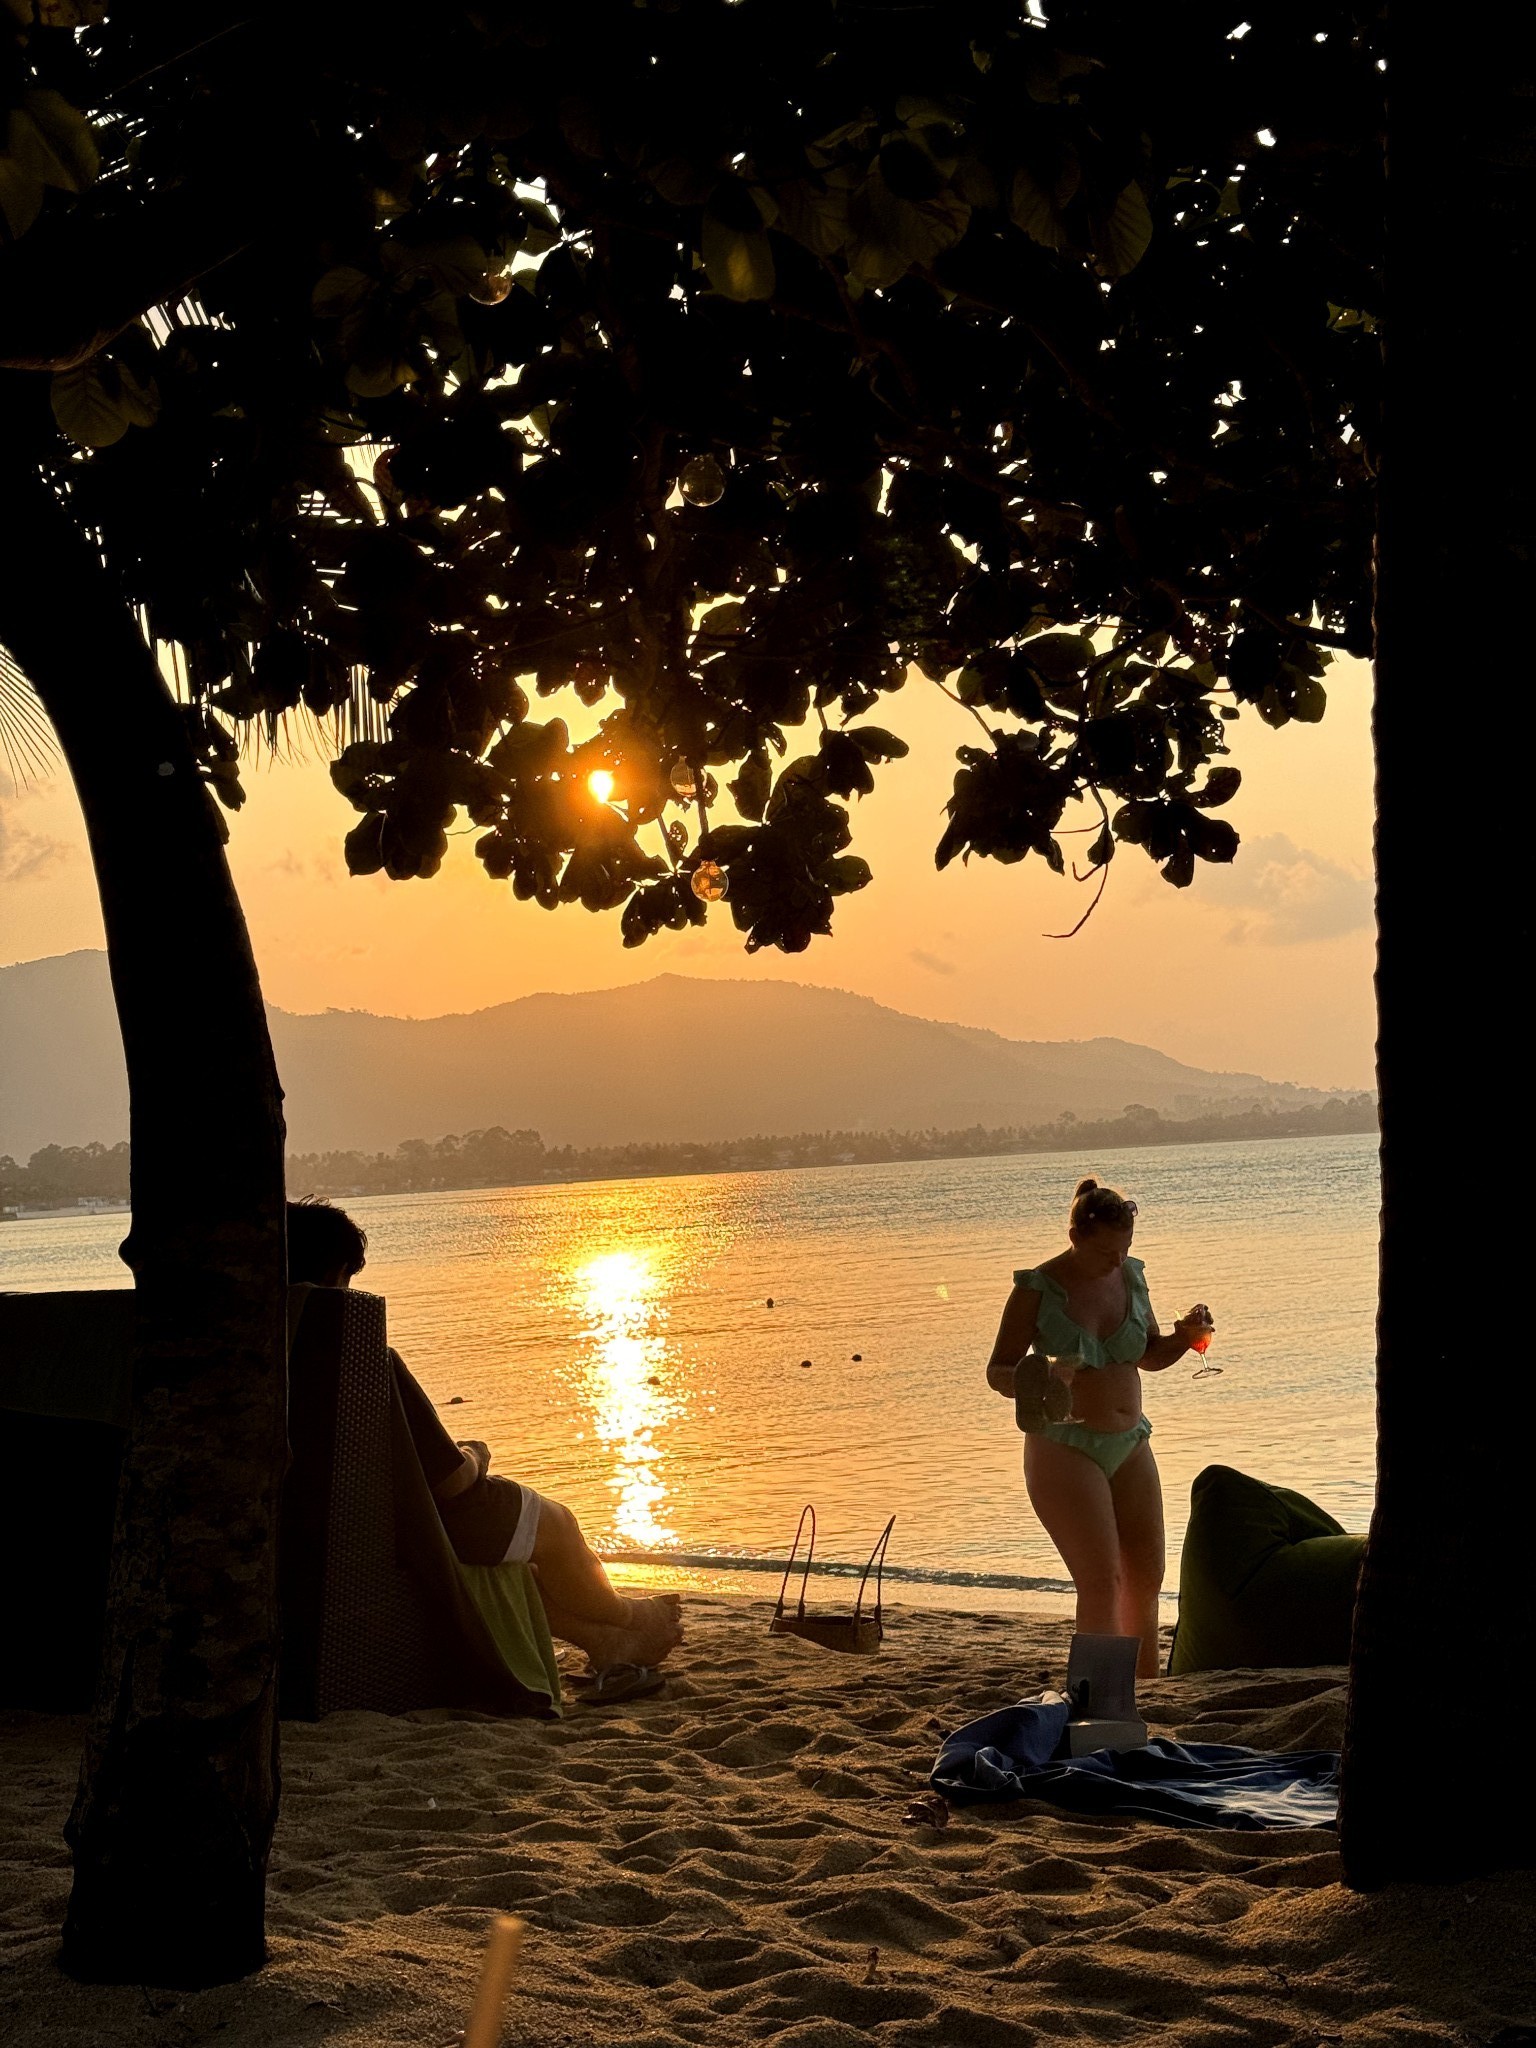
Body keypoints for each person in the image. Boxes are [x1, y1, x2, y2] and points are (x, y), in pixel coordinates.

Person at [286, 1198, 683, 1675]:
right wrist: (475, 1452)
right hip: (416, 1525)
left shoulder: (262, 1358)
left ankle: (605, 1642)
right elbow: (450, 1482)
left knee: (524, 1565)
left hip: (326, 1525)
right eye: (348, 1280)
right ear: (335, 1274)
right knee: (558, 1525)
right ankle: (637, 1616)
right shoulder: (362, 1358)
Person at [985, 1177, 1213, 1677]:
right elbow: (998, 1371)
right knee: (1102, 1578)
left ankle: (1145, 1690)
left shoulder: (1131, 1277)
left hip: (1131, 1440)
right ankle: (1099, 1696)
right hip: (1063, 1444)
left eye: (1126, 1246)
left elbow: (1148, 1356)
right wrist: (1041, 1373)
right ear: (1076, 1237)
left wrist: (1184, 1337)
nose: (1117, 1259)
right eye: (1107, 1249)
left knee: (1145, 1576)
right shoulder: (1036, 1288)